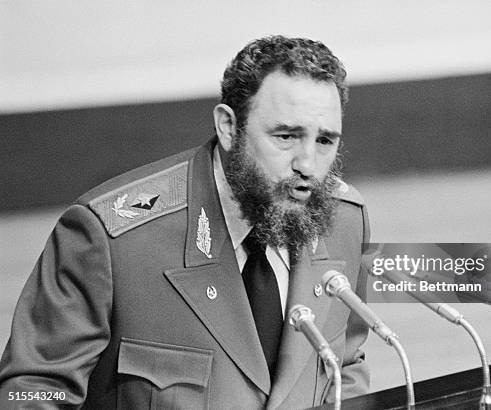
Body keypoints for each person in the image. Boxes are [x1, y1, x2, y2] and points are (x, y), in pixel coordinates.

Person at [0, 35, 371, 409]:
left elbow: (346, 366)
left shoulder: (345, 223)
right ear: (229, 127)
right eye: (286, 136)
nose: (307, 165)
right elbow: (31, 391)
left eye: (325, 141)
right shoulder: (110, 239)